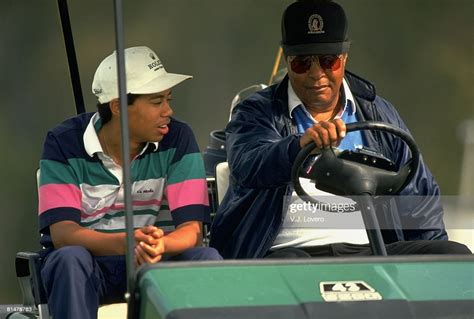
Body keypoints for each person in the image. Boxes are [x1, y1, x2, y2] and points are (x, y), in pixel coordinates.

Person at [209, 0, 470, 259]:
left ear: (344, 59)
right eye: (302, 63)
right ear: (287, 61)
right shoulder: (256, 111)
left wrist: (436, 262)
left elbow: (418, 195)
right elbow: (249, 164)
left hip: (369, 251)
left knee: (454, 256)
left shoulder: (379, 113)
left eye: (328, 61)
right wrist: (298, 147)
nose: (316, 74)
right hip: (285, 252)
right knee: (290, 267)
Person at [38, 46, 222, 319]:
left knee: (208, 259)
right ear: (118, 107)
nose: (168, 111)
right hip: (90, 265)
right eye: (157, 102)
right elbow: (64, 235)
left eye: (168, 100)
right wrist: (126, 243)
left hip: (155, 261)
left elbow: (192, 230)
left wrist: (160, 246)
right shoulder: (63, 142)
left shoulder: (179, 138)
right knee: (69, 259)